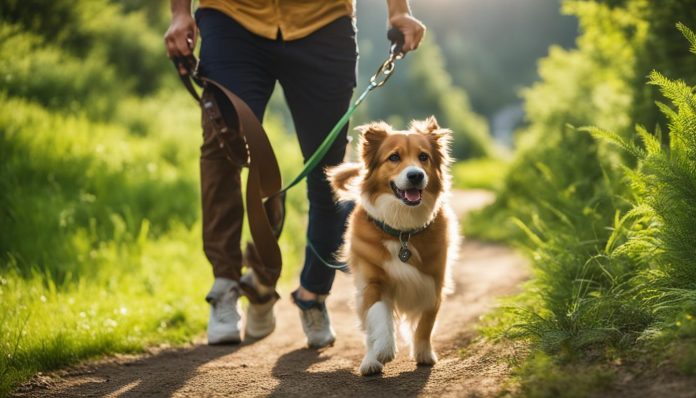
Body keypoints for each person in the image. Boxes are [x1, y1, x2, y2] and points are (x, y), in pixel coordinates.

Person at [164, 0, 426, 348]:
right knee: (221, 150)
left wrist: (398, 11)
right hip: (230, 15)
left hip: (322, 20)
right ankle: (225, 285)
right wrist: (180, 13)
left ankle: (312, 293)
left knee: (330, 170)